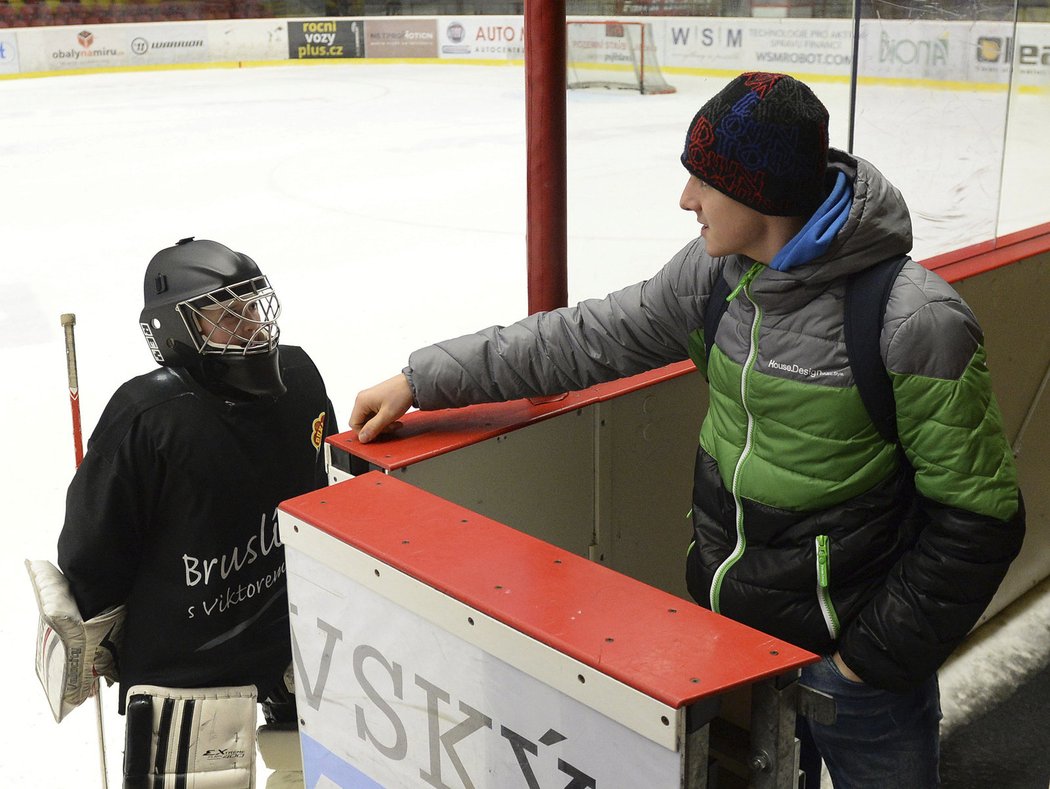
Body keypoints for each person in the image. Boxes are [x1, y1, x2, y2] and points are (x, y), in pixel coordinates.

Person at [350, 72, 1026, 787]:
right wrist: (421, 379)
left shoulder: (914, 320)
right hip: (738, 644)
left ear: (759, 193)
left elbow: (980, 518)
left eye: (703, 181)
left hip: (858, 672)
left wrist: (866, 662)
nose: (685, 200)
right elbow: (579, 339)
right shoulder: (716, 278)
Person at [55, 237, 336, 784]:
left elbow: (91, 555)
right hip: (197, 673)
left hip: (275, 647)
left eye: (252, 306)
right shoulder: (150, 418)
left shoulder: (296, 376)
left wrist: (99, 623)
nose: (252, 325)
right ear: (175, 332)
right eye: (227, 316)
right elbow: (91, 553)